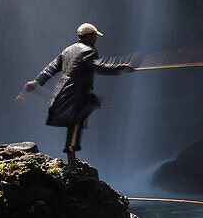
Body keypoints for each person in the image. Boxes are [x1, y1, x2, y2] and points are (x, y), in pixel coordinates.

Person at [23, 23, 135, 165]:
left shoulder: (68, 50)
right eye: (94, 35)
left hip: (63, 92)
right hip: (76, 94)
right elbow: (100, 66)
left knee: (76, 122)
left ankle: (72, 159)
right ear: (86, 36)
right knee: (76, 123)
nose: (96, 38)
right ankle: (71, 164)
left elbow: (51, 68)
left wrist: (37, 81)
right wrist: (121, 67)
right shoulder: (88, 52)